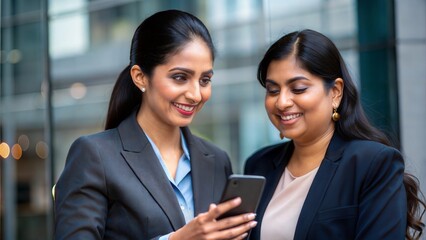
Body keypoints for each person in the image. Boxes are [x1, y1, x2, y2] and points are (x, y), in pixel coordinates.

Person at [54, 10, 257, 240]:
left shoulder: (217, 160)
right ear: (140, 77)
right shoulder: (94, 155)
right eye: (180, 77)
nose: (195, 94)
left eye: (205, 80)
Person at [244, 29, 425, 240]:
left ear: (336, 92)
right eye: (273, 90)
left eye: (299, 88)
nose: (282, 102)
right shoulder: (259, 165)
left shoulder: (373, 164)